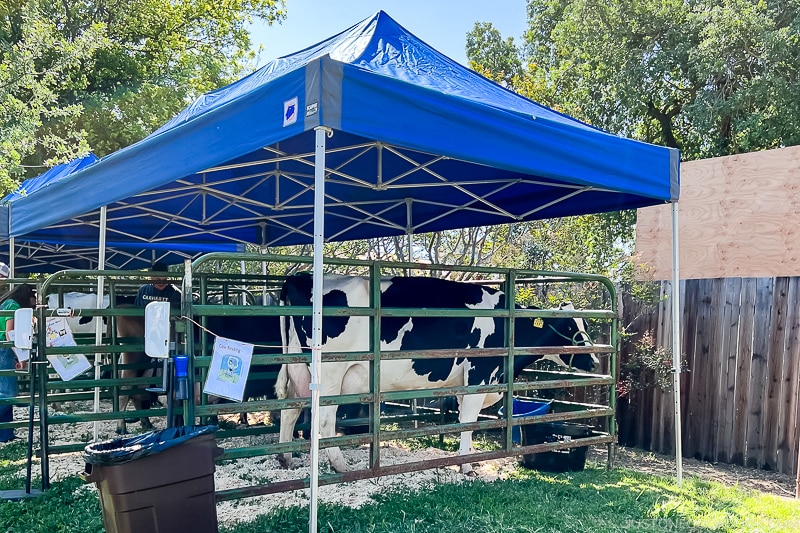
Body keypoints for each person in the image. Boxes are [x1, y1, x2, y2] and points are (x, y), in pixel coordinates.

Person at [0, 283, 37, 442]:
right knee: (9, 394)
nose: (34, 302)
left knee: (4, 393)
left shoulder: (7, 302)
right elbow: (10, 334)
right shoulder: (14, 306)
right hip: (4, 350)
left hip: (4, 350)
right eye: (33, 298)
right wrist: (21, 356)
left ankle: (6, 435)